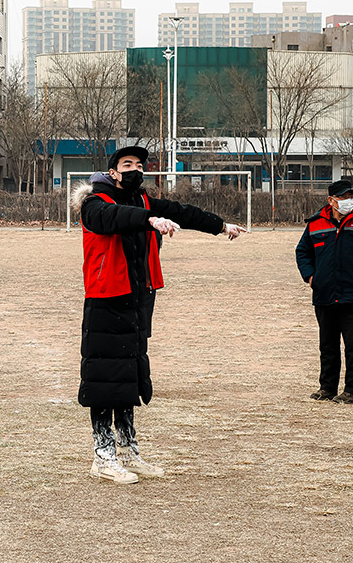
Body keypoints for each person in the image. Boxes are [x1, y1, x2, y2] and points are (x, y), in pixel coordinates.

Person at [72, 146, 246, 484]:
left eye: (140, 164)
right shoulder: (94, 203)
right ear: (113, 172)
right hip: (106, 297)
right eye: (128, 164)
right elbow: (114, 219)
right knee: (104, 377)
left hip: (137, 299)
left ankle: (127, 449)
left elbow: (186, 212)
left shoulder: (144, 200)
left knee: (129, 376)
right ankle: (103, 454)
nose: (136, 169)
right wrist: (150, 220)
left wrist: (221, 226)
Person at [295, 179, 353, 405]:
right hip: (324, 294)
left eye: (352, 197)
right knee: (327, 344)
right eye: (344, 197)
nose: (349, 201)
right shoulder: (315, 224)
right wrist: (311, 276)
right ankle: (327, 388)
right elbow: (302, 252)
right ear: (331, 200)